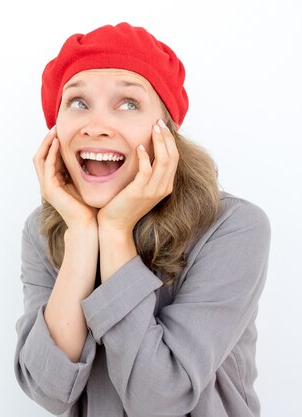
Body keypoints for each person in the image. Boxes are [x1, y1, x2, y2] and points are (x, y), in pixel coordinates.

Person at [14, 22, 270, 417]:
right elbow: (50, 391)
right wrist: (82, 236)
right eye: (78, 102)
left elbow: (160, 400)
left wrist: (115, 232)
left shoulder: (234, 227)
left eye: (128, 103)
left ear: (164, 131)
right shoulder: (44, 229)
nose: (95, 126)